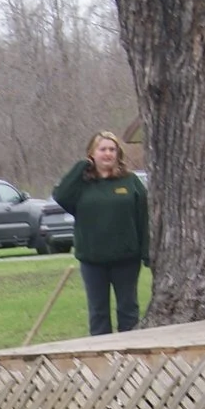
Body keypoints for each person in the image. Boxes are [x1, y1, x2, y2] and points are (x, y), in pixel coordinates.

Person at [53, 131, 148, 335]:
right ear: (92, 153)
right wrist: (82, 166)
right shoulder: (81, 186)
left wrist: (146, 252)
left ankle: (130, 354)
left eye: (112, 149)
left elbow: (143, 218)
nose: (108, 154)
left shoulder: (130, 181)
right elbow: (60, 195)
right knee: (98, 312)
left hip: (126, 259)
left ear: (118, 154)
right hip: (92, 260)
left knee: (128, 310)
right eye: (102, 149)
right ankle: (102, 357)